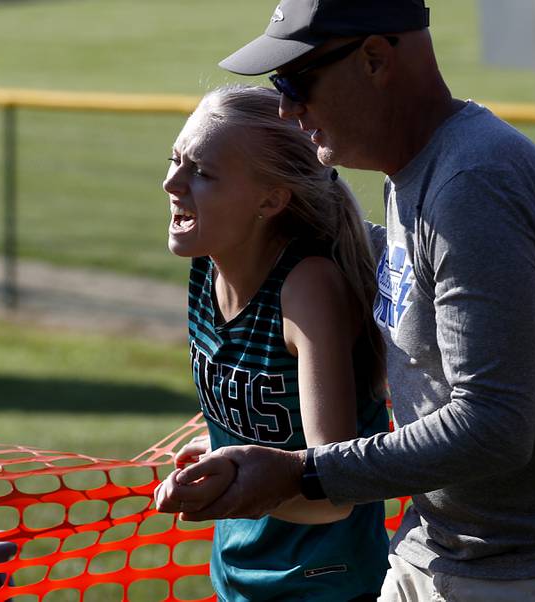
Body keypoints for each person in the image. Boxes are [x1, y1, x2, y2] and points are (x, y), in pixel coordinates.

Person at [155, 1, 535, 600]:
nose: (288, 108)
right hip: (444, 549)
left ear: (373, 59)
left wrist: (301, 472)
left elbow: (493, 425)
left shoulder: (473, 183)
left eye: (298, 80)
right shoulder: (419, 173)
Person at [155, 84, 391, 601]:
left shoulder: (308, 289)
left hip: (325, 586)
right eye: (175, 160)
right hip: (239, 576)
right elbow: (268, 434)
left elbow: (336, 494)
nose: (172, 182)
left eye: (202, 172)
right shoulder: (205, 266)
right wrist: (223, 453)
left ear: (271, 198)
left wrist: (236, 478)